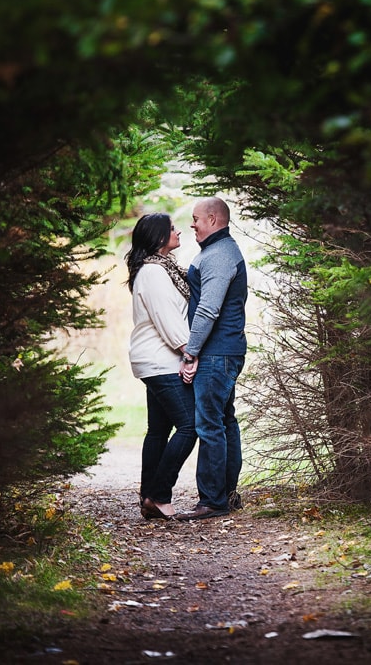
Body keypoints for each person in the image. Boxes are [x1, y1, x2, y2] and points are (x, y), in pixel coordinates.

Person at [175, 197, 248, 521]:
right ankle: (227, 494)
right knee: (224, 420)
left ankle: (213, 500)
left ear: (214, 219)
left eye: (196, 219)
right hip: (224, 351)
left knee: (209, 424)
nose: (192, 225)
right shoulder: (218, 251)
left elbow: (208, 309)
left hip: (218, 352)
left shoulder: (219, 255)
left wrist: (191, 351)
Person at [125, 211, 197, 521]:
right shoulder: (154, 273)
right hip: (161, 360)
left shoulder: (159, 269)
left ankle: (148, 497)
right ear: (157, 238)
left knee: (158, 430)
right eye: (171, 229)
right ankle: (159, 494)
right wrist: (189, 353)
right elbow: (167, 319)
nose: (179, 231)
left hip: (155, 360)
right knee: (190, 425)